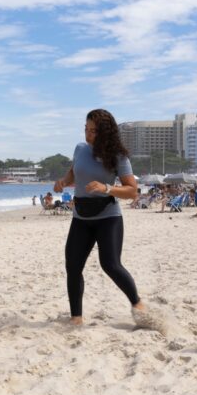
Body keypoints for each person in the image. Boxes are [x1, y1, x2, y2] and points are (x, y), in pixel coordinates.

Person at [54, 109, 159, 331]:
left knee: (110, 264)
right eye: (86, 129)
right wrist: (63, 181)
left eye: (93, 131)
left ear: (104, 132)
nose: (88, 135)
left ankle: (138, 304)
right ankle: (76, 318)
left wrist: (106, 188)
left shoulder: (118, 156)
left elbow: (132, 191)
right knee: (73, 266)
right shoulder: (80, 149)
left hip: (108, 217)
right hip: (81, 216)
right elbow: (74, 171)